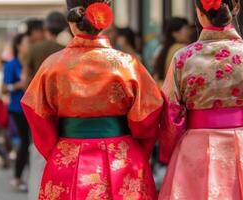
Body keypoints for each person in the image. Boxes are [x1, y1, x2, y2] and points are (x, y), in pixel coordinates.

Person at [21, 0, 163, 199]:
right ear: (106, 20)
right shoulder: (127, 64)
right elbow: (148, 115)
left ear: (71, 21)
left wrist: (55, 150)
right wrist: (138, 149)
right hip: (122, 159)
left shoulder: (53, 65)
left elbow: (36, 113)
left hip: (67, 156)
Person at [158, 0, 243, 199]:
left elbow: (171, 113)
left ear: (200, 14)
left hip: (195, 147)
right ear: (236, 9)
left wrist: (168, 150)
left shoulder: (182, 58)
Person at [24, 11, 68, 200]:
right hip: (60, 109)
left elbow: (26, 80)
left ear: (46, 28)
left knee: (37, 156)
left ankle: (36, 195)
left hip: (37, 107)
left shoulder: (33, 50)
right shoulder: (64, 50)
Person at [2, 33, 30, 192]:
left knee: (30, 144)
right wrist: (19, 85)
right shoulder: (11, 64)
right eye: (26, 42)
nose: (29, 45)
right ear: (18, 45)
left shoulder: (30, 61)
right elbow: (4, 88)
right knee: (24, 143)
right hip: (17, 108)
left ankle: (25, 177)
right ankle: (17, 178)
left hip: (31, 108)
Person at [153, 17, 190, 82]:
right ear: (174, 33)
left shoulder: (164, 48)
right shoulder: (180, 48)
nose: (188, 32)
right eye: (186, 29)